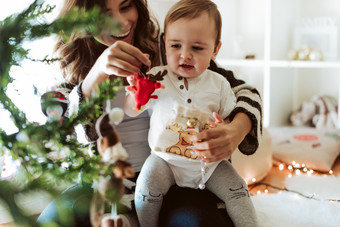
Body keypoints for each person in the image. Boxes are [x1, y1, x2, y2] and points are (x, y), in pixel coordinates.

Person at [36, 0, 262, 226]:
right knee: (53, 221)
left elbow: (244, 92)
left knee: (199, 221)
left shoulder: (173, 48)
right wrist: (97, 73)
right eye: (105, 14)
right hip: (104, 187)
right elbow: (61, 135)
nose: (121, 22)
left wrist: (237, 129)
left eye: (126, 7)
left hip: (177, 180)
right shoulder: (73, 65)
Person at [123, 1, 258, 226]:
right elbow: (131, 110)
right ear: (164, 43)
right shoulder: (157, 77)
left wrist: (223, 126)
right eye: (176, 46)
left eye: (197, 48)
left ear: (215, 49)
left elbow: (229, 118)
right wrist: (138, 96)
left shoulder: (220, 84)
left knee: (238, 191)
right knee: (146, 189)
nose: (185, 55)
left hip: (209, 163)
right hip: (164, 160)